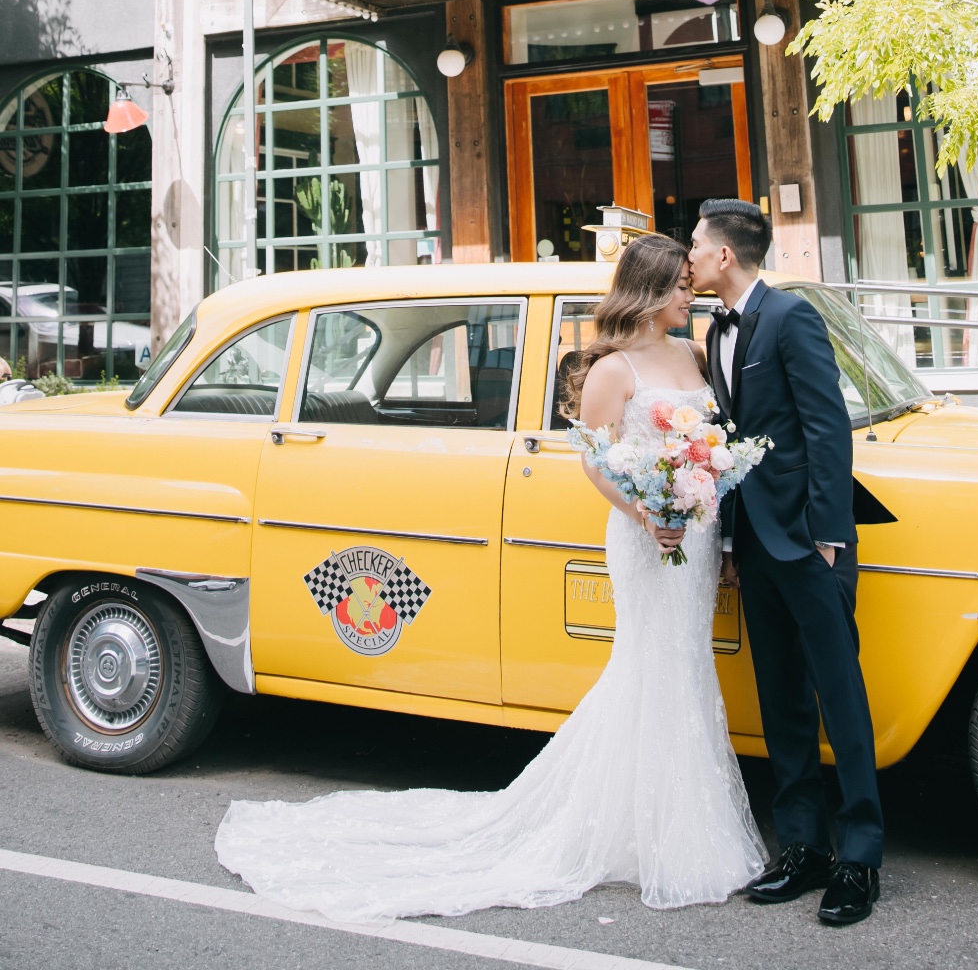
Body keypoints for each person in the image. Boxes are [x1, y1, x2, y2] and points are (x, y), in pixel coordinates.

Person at [216, 233, 765, 919]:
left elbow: (710, 439)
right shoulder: (613, 370)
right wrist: (648, 512)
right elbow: (598, 461)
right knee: (650, 667)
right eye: (683, 285)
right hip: (646, 538)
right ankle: (645, 835)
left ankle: (666, 826)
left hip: (697, 536)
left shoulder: (692, 352)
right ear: (653, 291)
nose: (694, 294)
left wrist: (703, 499)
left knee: (684, 669)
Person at [689, 198, 883, 928]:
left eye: (697, 247)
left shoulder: (790, 317)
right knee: (782, 701)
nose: (691, 257)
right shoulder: (716, 328)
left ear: (726, 257)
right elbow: (733, 438)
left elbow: (826, 427)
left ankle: (860, 859)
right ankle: (802, 847)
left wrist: (830, 533)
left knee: (841, 698)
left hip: (809, 541)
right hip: (755, 546)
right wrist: (733, 542)